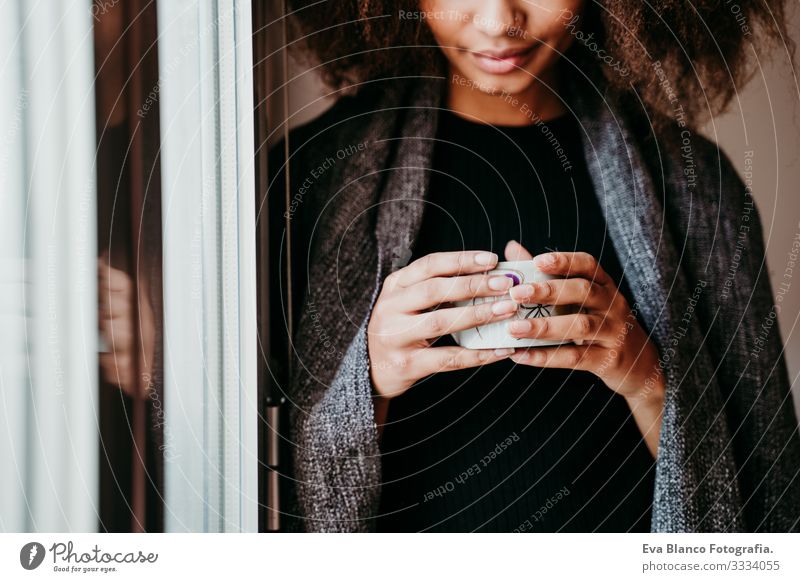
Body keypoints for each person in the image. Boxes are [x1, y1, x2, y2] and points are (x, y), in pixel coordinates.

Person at [270, 0, 800, 532]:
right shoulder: (312, 180)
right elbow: (262, 478)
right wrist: (367, 382)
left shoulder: (696, 188)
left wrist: (649, 382)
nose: (500, 21)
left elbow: (766, 481)